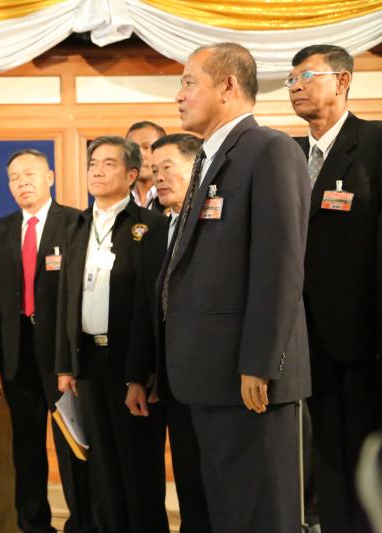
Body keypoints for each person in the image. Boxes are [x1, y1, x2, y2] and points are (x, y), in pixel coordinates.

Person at [160, 42, 311, 533]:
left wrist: (259, 364)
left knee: (262, 514)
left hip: (249, 379)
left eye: (188, 82)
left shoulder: (268, 149)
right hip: (209, 375)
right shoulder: (210, 158)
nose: (178, 95)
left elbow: (279, 266)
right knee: (230, 513)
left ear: (227, 85)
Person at [288, 44, 382, 533]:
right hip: (300, 337)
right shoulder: (287, 154)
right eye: (291, 80)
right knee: (323, 456)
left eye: (307, 76)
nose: (295, 87)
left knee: (364, 457)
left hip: (363, 338)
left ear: (343, 80)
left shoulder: (374, 144)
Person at [56, 136, 167, 532]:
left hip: (130, 364)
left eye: (108, 164)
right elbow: (66, 297)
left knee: (139, 469)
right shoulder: (76, 226)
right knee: (101, 470)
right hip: (87, 362)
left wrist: (140, 373)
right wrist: (65, 365)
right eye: (93, 164)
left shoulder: (151, 226)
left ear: (132, 174)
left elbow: (150, 308)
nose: (97, 172)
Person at [0, 149, 94, 533]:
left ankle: (82, 524)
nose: (22, 182)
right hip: (17, 356)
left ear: (50, 177)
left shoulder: (76, 222)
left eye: (29, 174)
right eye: (14, 177)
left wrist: (74, 358)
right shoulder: (0, 230)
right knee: (27, 449)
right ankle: (33, 524)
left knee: (72, 445)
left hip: (62, 355)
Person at [124, 133, 212, 533]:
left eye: (167, 168)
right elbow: (145, 309)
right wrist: (137, 376)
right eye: (154, 169)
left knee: (220, 484)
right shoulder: (157, 232)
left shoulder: (217, 222)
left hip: (217, 377)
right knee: (189, 482)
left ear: (198, 168)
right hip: (173, 380)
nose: (158, 177)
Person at [125, 121, 166, 211]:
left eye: (147, 147)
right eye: (132, 148)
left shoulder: (178, 197)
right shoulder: (116, 198)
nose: (139, 155)